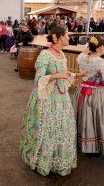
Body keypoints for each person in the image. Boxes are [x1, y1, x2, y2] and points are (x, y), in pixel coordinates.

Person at [20, 26, 88, 176]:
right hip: (47, 98)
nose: (69, 38)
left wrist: (78, 74)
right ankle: (42, 161)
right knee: (47, 129)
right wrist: (56, 76)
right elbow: (38, 80)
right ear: (58, 37)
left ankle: (58, 160)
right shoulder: (45, 55)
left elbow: (65, 75)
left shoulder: (61, 54)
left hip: (62, 98)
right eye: (67, 35)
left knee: (61, 128)